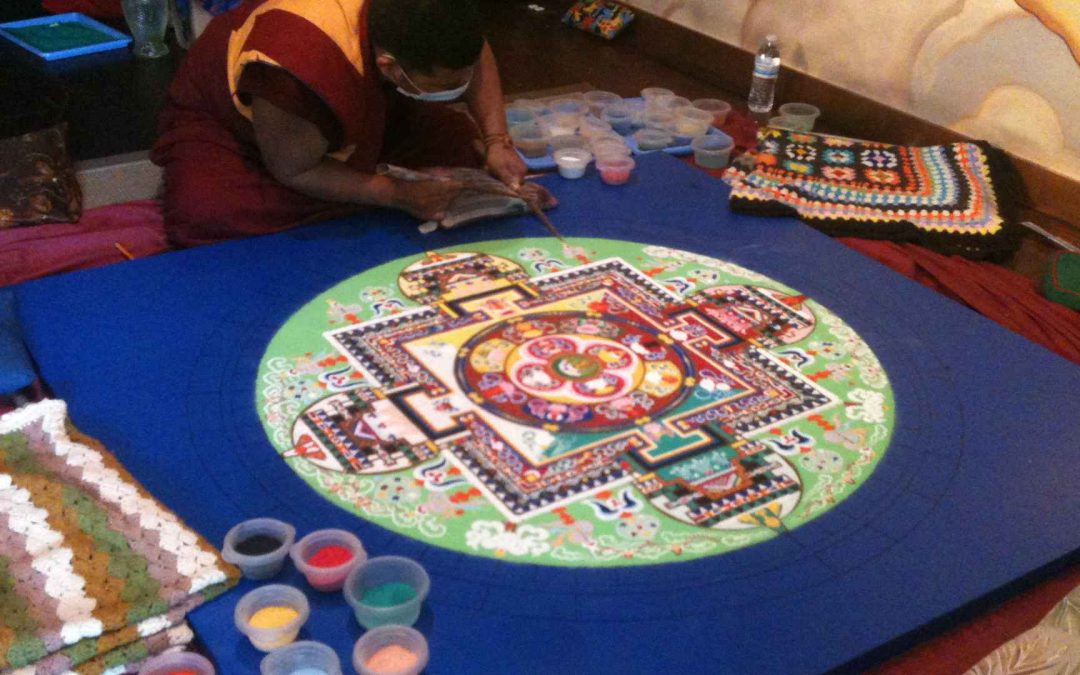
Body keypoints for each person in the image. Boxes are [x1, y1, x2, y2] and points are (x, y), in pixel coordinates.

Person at [151, 0, 544, 247]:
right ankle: (374, 188)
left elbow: (474, 57)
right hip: (240, 125)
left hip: (359, 101)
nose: (458, 89)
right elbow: (294, 169)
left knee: (460, 141)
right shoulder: (295, 64)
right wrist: (397, 195)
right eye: (443, 86)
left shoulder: (433, 16)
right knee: (207, 211)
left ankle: (366, 182)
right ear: (389, 66)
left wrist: (497, 140)